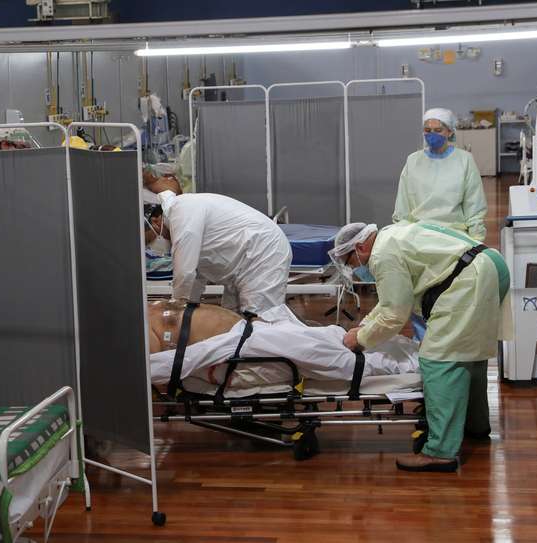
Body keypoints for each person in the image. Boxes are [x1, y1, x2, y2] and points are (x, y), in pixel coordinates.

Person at [332, 221, 511, 473]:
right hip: (491, 264)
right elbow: (389, 303)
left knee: (438, 359)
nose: (355, 270)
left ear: (360, 247)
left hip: (470, 279)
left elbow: (395, 315)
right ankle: (475, 426)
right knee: (469, 353)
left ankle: (439, 453)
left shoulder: (382, 256)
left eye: (351, 263)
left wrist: (360, 340)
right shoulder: (392, 235)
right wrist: (363, 326)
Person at [147, 300, 419, 386]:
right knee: (331, 350)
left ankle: (410, 358)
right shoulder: (217, 350)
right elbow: (174, 364)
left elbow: (168, 365)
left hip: (251, 333)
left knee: (330, 340)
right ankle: (411, 361)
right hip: (247, 342)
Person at [144, 176, 292, 316]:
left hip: (264, 252)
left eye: (160, 234)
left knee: (260, 321)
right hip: (245, 263)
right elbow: (195, 275)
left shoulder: (181, 211)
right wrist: (189, 306)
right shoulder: (185, 212)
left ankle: (305, 340)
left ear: (157, 220)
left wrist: (175, 309)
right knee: (233, 323)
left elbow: (184, 272)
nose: (162, 238)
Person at [393, 108, 488, 242]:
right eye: (427, 130)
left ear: (449, 132)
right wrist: (401, 234)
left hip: (454, 235)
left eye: (438, 131)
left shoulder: (464, 160)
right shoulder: (413, 161)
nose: (432, 134)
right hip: (418, 234)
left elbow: (474, 205)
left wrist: (476, 240)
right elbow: (402, 206)